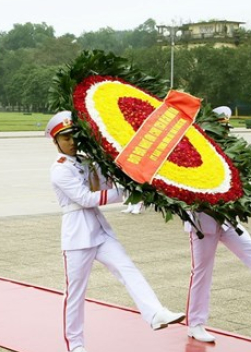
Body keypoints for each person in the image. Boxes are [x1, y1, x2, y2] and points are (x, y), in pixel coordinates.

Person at [47, 111, 184, 352]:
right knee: (76, 294)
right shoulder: (59, 169)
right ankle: (75, 346)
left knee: (127, 268)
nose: (71, 141)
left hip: (99, 230)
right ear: (55, 141)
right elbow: (85, 198)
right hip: (77, 234)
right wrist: (128, 193)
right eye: (65, 137)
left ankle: (155, 313)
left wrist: (120, 168)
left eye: (74, 136)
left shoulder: (86, 160)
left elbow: (106, 184)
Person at [184, 106, 251, 343]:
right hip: (203, 222)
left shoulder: (230, 150)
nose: (226, 131)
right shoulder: (196, 151)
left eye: (227, 127)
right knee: (202, 273)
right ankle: (196, 324)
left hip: (228, 220)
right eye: (222, 127)